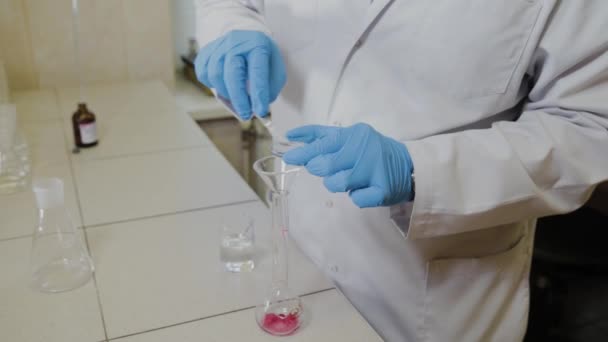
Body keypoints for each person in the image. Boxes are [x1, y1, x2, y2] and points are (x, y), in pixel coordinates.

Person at [194, 1, 608, 341]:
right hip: (300, 246)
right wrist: (232, 28)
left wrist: (419, 172)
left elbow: (588, 130)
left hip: (432, 297)